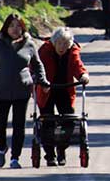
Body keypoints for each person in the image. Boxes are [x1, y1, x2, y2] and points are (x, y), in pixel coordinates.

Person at [0, 14, 50, 169]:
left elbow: (38, 65)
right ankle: (2, 148)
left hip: (22, 91)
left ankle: (15, 158)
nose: (15, 29)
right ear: (6, 28)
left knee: (19, 126)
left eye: (18, 26)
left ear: (23, 28)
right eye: (12, 26)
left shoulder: (29, 44)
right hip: (1, 92)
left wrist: (42, 80)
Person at [36, 27, 90, 166]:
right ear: (54, 42)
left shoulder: (72, 51)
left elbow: (77, 65)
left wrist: (82, 75)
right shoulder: (45, 50)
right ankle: (49, 155)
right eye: (59, 43)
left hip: (65, 89)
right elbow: (36, 67)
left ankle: (61, 150)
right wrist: (41, 81)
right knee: (47, 121)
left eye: (65, 43)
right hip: (47, 89)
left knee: (69, 120)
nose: (62, 46)